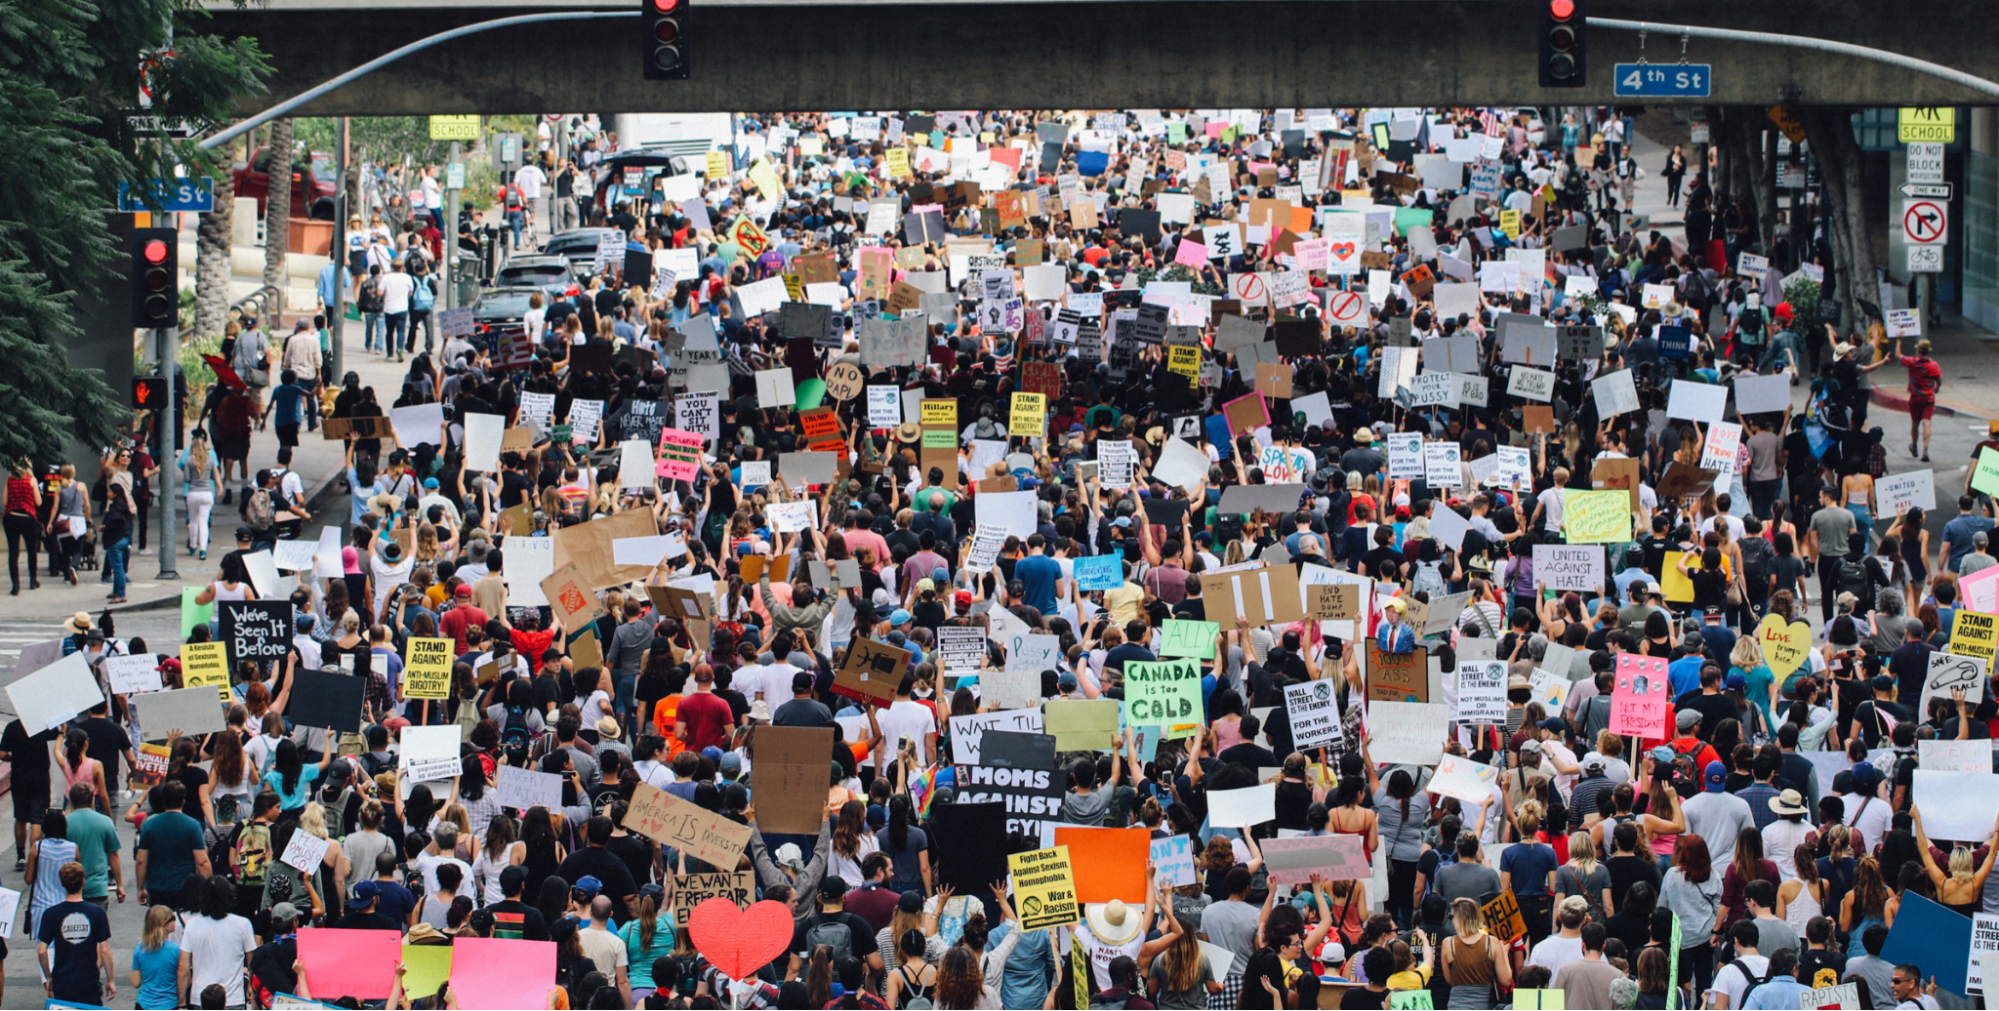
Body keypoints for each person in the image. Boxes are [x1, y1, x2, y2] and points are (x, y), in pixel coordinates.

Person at [36, 860, 113, 1006]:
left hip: (62, 981)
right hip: (89, 980)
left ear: (62, 884)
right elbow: (105, 950)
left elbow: (41, 951)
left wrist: (49, 976)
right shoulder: (97, 912)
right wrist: (110, 980)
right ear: (83, 882)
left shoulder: (51, 914)